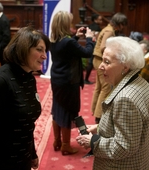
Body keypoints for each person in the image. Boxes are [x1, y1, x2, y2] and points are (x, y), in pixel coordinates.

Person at [76, 36, 149, 169]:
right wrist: (99, 128)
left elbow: (123, 146)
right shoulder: (139, 81)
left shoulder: (125, 98)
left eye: (107, 62)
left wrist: (92, 141)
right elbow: (133, 127)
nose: (100, 67)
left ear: (125, 67)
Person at [0, 27, 50, 170]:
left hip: (22, 158)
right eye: (39, 49)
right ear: (23, 49)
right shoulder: (0, 81)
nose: (45, 56)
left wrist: (32, 153)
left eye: (45, 51)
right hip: (1, 162)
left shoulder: (28, 78)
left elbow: (27, 124)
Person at [50, 11, 95, 155]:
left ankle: (57, 141)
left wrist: (76, 36)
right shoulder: (68, 42)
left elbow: (66, 47)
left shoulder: (54, 39)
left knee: (57, 109)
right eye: (69, 22)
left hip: (57, 79)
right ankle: (65, 145)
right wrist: (89, 39)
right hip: (68, 82)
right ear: (64, 24)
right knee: (68, 112)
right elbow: (87, 52)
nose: (70, 24)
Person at [92, 12, 127, 124]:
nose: (123, 27)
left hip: (97, 60)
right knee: (106, 88)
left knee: (99, 87)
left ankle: (95, 111)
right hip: (99, 60)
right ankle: (99, 117)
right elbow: (103, 47)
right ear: (120, 23)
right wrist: (110, 58)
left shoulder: (108, 29)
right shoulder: (109, 31)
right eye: (123, 24)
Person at [84, 14, 103, 84]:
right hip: (95, 46)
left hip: (89, 44)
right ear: (95, 20)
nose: (101, 21)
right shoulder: (97, 28)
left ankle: (86, 78)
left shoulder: (89, 26)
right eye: (100, 19)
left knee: (90, 62)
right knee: (91, 62)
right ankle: (86, 79)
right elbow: (98, 38)